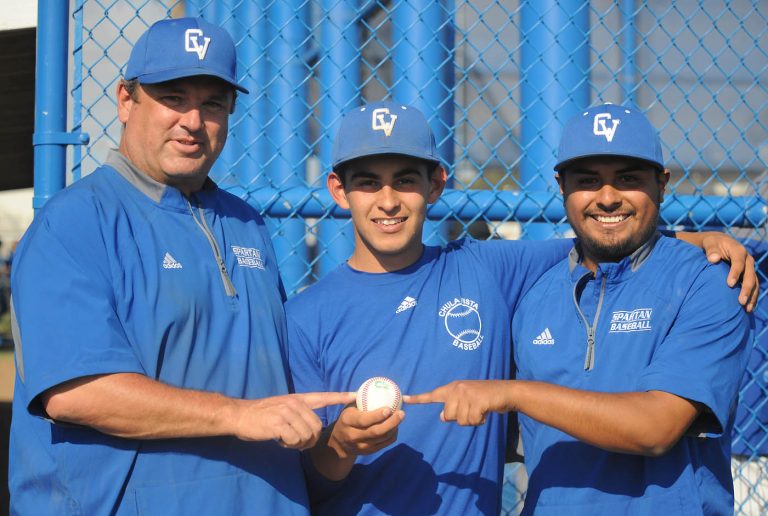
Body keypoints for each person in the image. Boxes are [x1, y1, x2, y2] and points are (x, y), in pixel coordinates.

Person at [286, 101, 757, 515]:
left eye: (405, 181)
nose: (388, 201)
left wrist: (696, 241)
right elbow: (303, 477)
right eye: (368, 183)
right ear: (338, 189)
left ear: (435, 184)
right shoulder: (303, 316)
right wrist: (342, 444)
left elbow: (605, 235)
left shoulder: (490, 269)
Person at [9, 17, 352, 515]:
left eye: (211, 103)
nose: (193, 121)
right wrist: (239, 416)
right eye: (173, 98)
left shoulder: (245, 222)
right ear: (127, 100)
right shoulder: (76, 221)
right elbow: (77, 391)